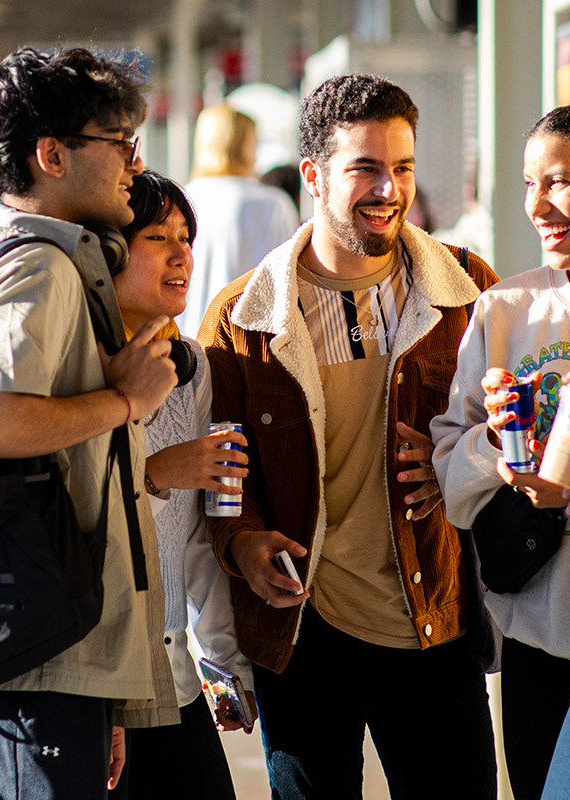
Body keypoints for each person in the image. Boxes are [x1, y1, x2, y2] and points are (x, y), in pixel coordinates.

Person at [198, 73, 501, 799]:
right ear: (313, 175)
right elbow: (220, 469)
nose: (388, 189)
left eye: (401, 167)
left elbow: (512, 425)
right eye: (365, 168)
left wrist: (463, 461)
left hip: (434, 621)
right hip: (305, 635)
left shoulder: (464, 291)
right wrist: (245, 540)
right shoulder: (245, 317)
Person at [0, 46, 178, 799]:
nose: (134, 167)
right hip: (31, 673)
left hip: (46, 660)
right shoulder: (37, 267)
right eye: (119, 145)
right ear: (51, 155)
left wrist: (99, 691)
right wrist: (125, 403)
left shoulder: (21, 259)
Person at [430, 100, 570, 800]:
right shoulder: (505, 310)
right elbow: (450, 485)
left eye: (558, 181)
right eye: (527, 184)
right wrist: (493, 441)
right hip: (539, 641)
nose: (537, 205)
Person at [107, 169, 254, 800]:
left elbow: (198, 538)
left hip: (172, 675)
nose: (181, 254)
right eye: (158, 236)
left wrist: (223, 662)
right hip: (96, 681)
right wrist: (154, 475)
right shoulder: (76, 363)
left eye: (187, 237)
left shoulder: (188, 367)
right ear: (108, 253)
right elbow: (58, 513)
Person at [180, 104, 300, 333]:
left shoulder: (182, 198)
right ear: (247, 143)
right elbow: (288, 284)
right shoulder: (271, 203)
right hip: (247, 344)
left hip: (186, 345)